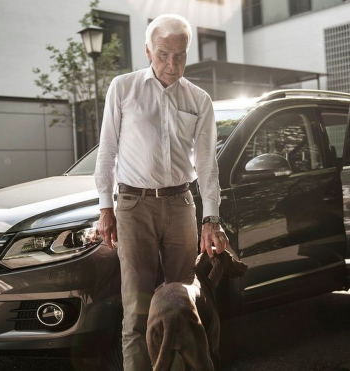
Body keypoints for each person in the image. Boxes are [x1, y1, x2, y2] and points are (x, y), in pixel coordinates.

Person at [94, 14, 229, 371]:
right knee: (136, 311)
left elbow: (207, 164)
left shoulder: (199, 100)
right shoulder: (123, 88)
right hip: (133, 206)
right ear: (148, 51)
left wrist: (211, 218)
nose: (172, 65)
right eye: (163, 55)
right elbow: (106, 152)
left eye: (180, 55)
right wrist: (105, 208)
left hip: (181, 204)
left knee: (183, 306)